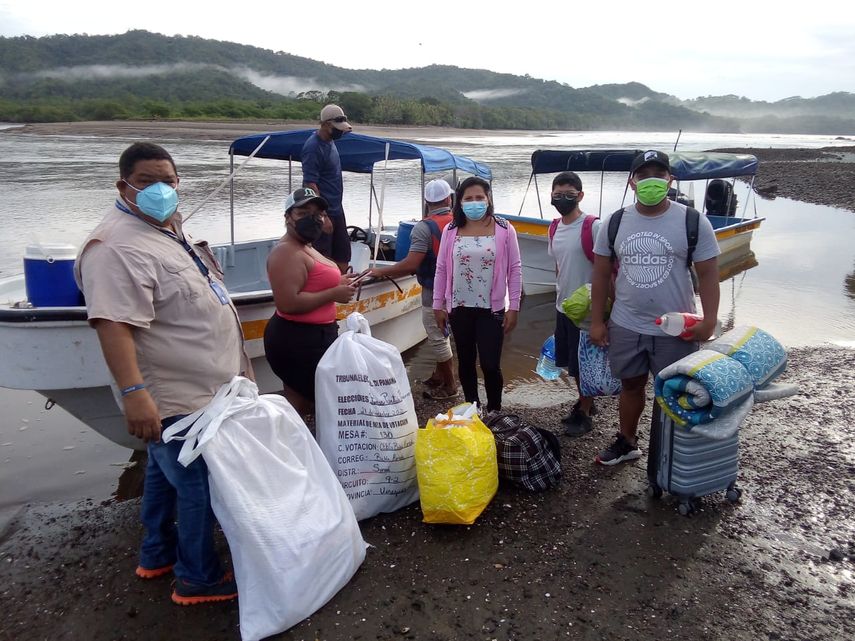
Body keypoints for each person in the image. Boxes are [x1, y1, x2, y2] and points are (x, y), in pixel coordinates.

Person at [74, 142, 249, 605]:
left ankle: (157, 553)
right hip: (172, 395)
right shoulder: (114, 246)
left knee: (160, 471)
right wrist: (135, 393)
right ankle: (198, 577)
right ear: (123, 186)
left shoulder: (167, 229)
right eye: (149, 181)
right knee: (196, 482)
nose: (162, 190)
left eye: (170, 181)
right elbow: (113, 325)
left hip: (204, 390)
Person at [589, 150, 720, 467]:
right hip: (626, 323)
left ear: (669, 180)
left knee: (674, 392)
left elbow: (709, 274)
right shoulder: (615, 222)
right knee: (631, 385)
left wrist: (710, 321)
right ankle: (628, 441)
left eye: (658, 175)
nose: (651, 181)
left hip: (676, 328)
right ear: (632, 183)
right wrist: (597, 322)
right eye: (643, 175)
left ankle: (670, 454)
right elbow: (601, 274)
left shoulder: (692, 221)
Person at [264, 187, 357, 417]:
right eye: (304, 212)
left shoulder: (305, 246)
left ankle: (302, 447)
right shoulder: (286, 252)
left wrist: (340, 282)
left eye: (318, 214)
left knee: (309, 403)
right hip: (297, 339)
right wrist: (333, 294)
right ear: (288, 217)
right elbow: (287, 303)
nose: (313, 219)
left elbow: (312, 281)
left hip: (315, 336)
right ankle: (291, 448)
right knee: (301, 403)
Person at [433, 176, 522, 415]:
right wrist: (437, 305)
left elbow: (515, 269)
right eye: (468, 198)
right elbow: (441, 268)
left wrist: (513, 306)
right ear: (459, 202)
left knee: (491, 364)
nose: (475, 203)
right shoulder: (451, 230)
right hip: (459, 307)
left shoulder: (504, 229)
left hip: (491, 309)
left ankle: (494, 409)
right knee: (466, 361)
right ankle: (473, 407)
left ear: (489, 199)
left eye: (479, 198)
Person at [370, 179, 458, 400]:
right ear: (449, 199)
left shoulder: (423, 227)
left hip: (434, 291)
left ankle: (450, 386)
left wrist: (380, 272)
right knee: (445, 333)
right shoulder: (459, 221)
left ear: (427, 201)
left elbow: (411, 264)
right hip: (459, 289)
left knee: (437, 336)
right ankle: (439, 375)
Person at [547, 171, 601, 436]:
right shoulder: (554, 227)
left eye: (568, 194)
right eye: (558, 195)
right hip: (564, 307)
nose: (563, 199)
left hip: (588, 310)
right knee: (572, 363)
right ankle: (585, 402)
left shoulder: (593, 226)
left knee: (585, 365)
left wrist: (602, 313)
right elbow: (559, 266)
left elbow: (606, 268)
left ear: (580, 196)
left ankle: (585, 412)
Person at [301, 103, 353, 273]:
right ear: (324, 125)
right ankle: (326, 293)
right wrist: (322, 216)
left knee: (343, 255)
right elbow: (310, 184)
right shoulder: (313, 147)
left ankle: (340, 288)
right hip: (323, 211)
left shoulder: (330, 142)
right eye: (337, 128)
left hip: (337, 209)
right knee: (323, 258)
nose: (340, 132)